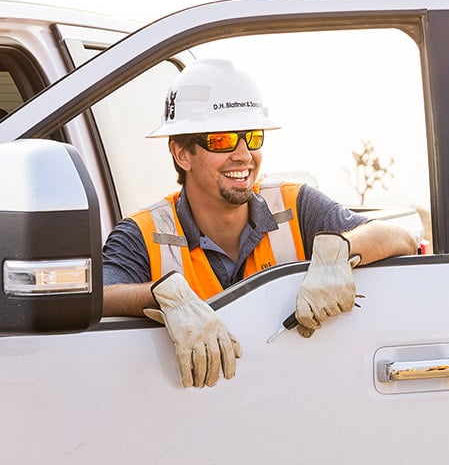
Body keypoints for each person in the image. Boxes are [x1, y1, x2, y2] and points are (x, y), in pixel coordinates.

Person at [102, 59, 418, 388]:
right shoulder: (142, 233)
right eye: (222, 140)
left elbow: (397, 237)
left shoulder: (295, 205)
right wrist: (160, 296)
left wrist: (341, 252)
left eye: (252, 137)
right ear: (182, 153)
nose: (244, 155)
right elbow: (97, 297)